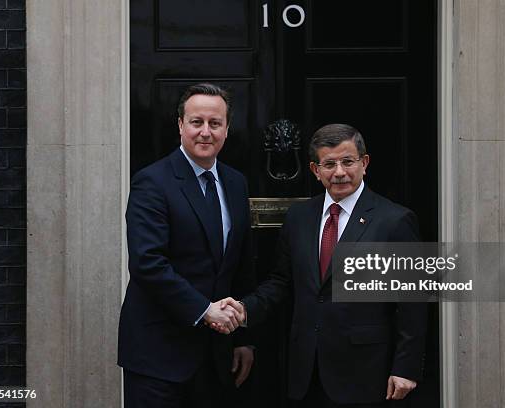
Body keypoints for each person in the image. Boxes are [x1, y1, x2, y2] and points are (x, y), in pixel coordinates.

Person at [217, 123, 427, 407]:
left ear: (364, 163)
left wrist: (405, 368)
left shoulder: (395, 221)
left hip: (366, 372)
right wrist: (244, 310)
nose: (339, 172)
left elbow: (412, 303)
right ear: (316, 170)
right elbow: (281, 282)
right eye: (329, 164)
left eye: (347, 162)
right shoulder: (299, 217)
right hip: (307, 369)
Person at [118, 83, 254, 407]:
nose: (206, 132)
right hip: (159, 356)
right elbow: (147, 263)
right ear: (180, 125)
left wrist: (244, 338)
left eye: (215, 123)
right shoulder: (152, 182)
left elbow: (241, 264)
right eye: (197, 122)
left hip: (217, 356)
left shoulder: (236, 183)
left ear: (227, 128)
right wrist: (205, 310)